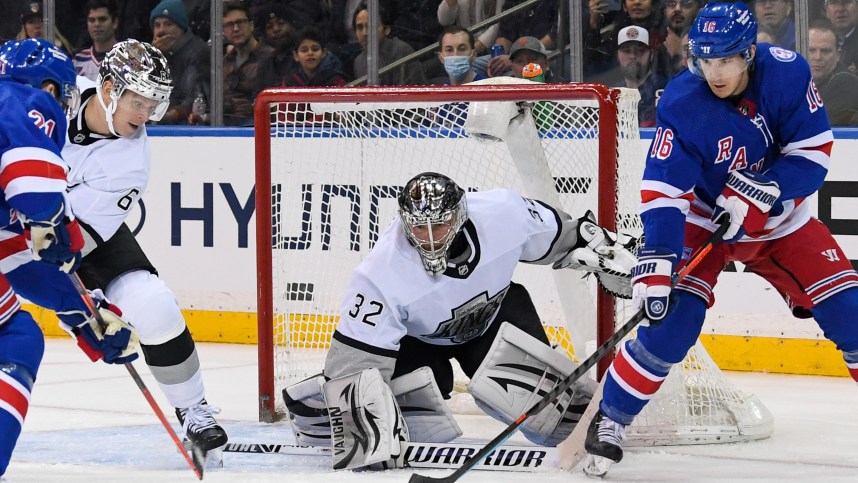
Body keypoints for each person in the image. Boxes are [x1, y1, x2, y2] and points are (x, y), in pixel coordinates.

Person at [583, 3, 858, 477]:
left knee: (852, 313)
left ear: (749, 53)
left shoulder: (788, 75)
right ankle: (610, 419)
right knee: (671, 324)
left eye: (726, 60)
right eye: (704, 60)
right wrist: (660, 255)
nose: (714, 72)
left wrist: (768, 187)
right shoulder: (682, 101)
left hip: (781, 224)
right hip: (704, 221)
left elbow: (814, 154)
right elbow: (664, 188)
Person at [283, 172, 639, 470]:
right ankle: (313, 407)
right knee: (415, 399)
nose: (432, 237)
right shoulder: (379, 275)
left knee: (547, 412)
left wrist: (608, 252)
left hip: (495, 319)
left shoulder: (504, 213)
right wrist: (359, 422)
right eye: (419, 228)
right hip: (420, 342)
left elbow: (570, 236)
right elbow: (355, 365)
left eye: (440, 224)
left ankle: (599, 417)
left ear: (461, 213)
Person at [2, 39, 229, 457]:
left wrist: (90, 304)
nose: (145, 116)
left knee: (155, 304)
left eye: (154, 106)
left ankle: (193, 409)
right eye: (138, 103)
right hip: (25, 214)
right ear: (108, 89)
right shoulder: (60, 91)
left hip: (80, 230)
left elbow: (69, 242)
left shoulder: (130, 163)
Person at [0, 37, 95, 479]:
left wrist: (85, 313)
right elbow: (36, 190)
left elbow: (14, 259)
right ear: (51, 89)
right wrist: (57, 221)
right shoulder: (20, 99)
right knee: (16, 339)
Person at [149, 0, 209, 125]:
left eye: (168, 24)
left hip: (188, 126)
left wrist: (164, 116)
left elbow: (194, 98)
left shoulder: (197, 52)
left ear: (181, 28)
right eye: (157, 25)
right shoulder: (155, 55)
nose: (161, 31)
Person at [215, 1, 272, 126]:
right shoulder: (223, 62)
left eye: (240, 22)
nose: (235, 29)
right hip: (226, 129)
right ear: (223, 31)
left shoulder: (270, 58)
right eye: (229, 25)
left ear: (251, 25)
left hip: (259, 128)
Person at [352, 2, 427, 85]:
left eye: (371, 26)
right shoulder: (359, 62)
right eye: (359, 27)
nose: (365, 33)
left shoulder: (401, 51)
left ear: (386, 29)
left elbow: (409, 94)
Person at [613, 25, 668, 126]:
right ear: (617, 55)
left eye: (640, 50)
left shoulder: (665, 89)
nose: (633, 56)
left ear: (651, 55)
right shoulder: (612, 93)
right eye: (626, 50)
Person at [808, 20, 858, 125]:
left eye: (825, 51)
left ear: (838, 55)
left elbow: (816, 127)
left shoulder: (845, 82)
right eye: (811, 50)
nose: (817, 57)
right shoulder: (801, 84)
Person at [73, 0, 120, 81]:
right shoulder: (77, 60)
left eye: (102, 19)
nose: (97, 24)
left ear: (115, 23)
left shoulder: (129, 58)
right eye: (91, 20)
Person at [437, 0, 504, 56]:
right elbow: (444, 21)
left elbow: (499, 22)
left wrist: (476, 47)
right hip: (462, 46)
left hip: (491, 47)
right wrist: (451, 3)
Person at [487, 36, 564, 82]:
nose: (526, 66)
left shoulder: (563, 90)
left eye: (532, 59)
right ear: (512, 67)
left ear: (546, 63)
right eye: (520, 61)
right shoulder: (507, 92)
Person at [656, 0, 701, 77]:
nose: (677, 9)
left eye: (686, 4)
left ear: (698, 11)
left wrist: (681, 52)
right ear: (664, 11)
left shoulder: (707, 40)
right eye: (671, 4)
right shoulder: (657, 44)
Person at [825, 0, 858, 74]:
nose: (840, 9)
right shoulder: (819, 41)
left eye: (846, 2)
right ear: (827, 10)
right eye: (834, 3)